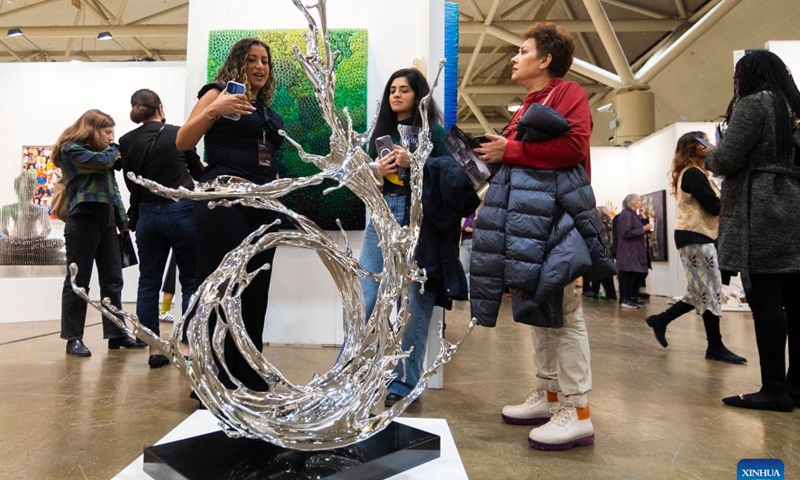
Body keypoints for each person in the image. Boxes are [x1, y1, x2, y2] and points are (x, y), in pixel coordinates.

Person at [472, 22, 605, 451]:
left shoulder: (568, 94)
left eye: (523, 50)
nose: (514, 57)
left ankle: (577, 410)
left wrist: (509, 150)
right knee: (540, 307)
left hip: (559, 220)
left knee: (565, 313)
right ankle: (550, 396)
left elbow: (572, 148)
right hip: (532, 221)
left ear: (546, 59)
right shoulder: (527, 105)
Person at [360, 67, 478, 407]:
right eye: (392, 89)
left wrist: (418, 162)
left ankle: (405, 381)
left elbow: (466, 175)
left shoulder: (436, 134)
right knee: (365, 295)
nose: (395, 95)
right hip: (383, 216)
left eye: (404, 90)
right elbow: (366, 185)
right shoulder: (380, 134)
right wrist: (376, 172)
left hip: (421, 221)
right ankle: (353, 367)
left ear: (419, 95)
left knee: (412, 302)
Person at [176, 38, 283, 391]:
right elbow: (182, 141)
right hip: (224, 201)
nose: (260, 66)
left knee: (254, 289)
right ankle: (210, 374)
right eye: (252, 59)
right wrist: (214, 109)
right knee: (221, 286)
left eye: (265, 61)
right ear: (238, 62)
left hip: (262, 203)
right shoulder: (218, 93)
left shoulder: (265, 110)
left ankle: (247, 373)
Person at [706, 50, 800, 412]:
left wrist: (711, 154)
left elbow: (728, 159)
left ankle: (774, 388)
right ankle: (796, 385)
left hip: (760, 209)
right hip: (793, 207)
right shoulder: (793, 107)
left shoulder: (754, 103)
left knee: (765, 301)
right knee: (795, 301)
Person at [644, 131, 746, 365]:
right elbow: (713, 206)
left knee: (700, 290)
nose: (709, 145)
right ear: (693, 147)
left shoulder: (698, 173)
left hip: (698, 236)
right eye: (704, 141)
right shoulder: (692, 174)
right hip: (696, 236)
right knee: (709, 291)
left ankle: (661, 319)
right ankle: (715, 345)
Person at [119, 88, 202, 369]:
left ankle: (154, 350)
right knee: (190, 280)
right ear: (160, 107)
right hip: (181, 210)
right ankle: (188, 347)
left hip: (146, 216)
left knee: (148, 282)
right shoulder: (178, 133)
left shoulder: (125, 141)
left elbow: (132, 182)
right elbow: (199, 172)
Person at [53, 109, 144, 357]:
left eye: (112, 133)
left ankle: (116, 335)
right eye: (107, 132)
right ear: (92, 129)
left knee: (113, 279)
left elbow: (113, 190)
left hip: (107, 220)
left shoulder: (105, 156)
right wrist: (115, 149)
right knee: (77, 280)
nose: (110, 137)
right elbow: (101, 162)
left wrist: (123, 221)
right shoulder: (71, 150)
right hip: (82, 218)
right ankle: (73, 338)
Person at [615, 194, 652, 309]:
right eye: (638, 200)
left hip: (636, 252)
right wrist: (643, 229)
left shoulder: (634, 216)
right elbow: (626, 233)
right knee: (628, 276)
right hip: (629, 252)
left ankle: (632, 298)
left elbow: (646, 229)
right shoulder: (626, 215)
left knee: (636, 275)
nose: (640, 202)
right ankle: (626, 299)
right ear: (631, 202)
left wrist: (643, 216)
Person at [582, 206, 616, 300]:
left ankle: (605, 293)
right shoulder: (607, 223)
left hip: (602, 250)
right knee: (601, 272)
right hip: (604, 250)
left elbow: (604, 238)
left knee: (602, 272)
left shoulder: (602, 224)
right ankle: (602, 292)